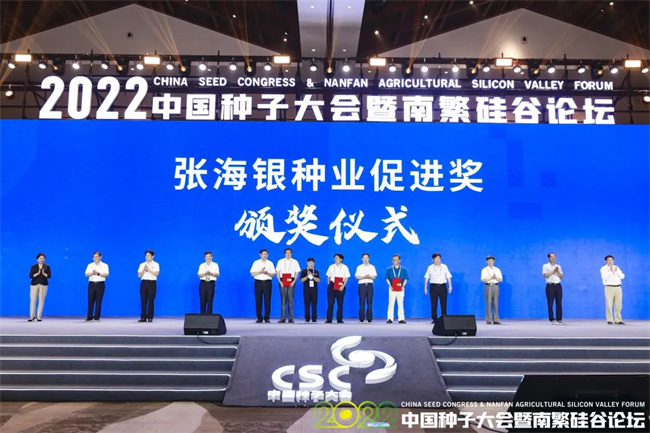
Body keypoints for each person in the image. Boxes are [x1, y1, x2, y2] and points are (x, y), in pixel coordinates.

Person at [424, 253, 452, 324]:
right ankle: (434, 319)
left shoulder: (444, 266)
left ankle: (444, 318)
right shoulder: (430, 267)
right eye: (436, 259)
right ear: (433, 259)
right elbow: (427, 278)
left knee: (443, 303)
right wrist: (425, 287)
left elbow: (448, 277)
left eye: (439, 258)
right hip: (433, 287)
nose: (437, 260)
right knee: (434, 303)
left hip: (443, 286)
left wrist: (450, 286)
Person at [275, 247, 301, 323]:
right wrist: (280, 282)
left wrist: (294, 281)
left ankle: (291, 318)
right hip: (282, 281)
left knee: (291, 300)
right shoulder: (280, 261)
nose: (288, 254)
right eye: (287, 252)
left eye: (289, 252)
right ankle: (282, 318)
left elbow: (297, 273)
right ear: (284, 253)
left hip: (291, 281)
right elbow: (278, 272)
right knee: (283, 300)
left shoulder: (295, 262)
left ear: (292, 253)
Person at [250, 249, 275, 323]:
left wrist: (267, 273)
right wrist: (260, 272)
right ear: (260, 255)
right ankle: (259, 317)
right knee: (258, 300)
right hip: (258, 283)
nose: (265, 255)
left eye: (266, 254)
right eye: (263, 254)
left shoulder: (270, 263)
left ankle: (267, 317)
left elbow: (273, 274)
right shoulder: (256, 263)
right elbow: (252, 274)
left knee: (267, 300)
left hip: (267, 283)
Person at [600, 255, 625, 325]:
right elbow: (604, 277)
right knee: (609, 304)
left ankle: (618, 320)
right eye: (608, 260)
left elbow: (622, 276)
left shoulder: (616, 267)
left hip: (618, 287)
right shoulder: (603, 268)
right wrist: (611, 272)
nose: (610, 262)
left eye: (611, 260)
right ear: (605, 261)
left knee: (618, 305)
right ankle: (610, 319)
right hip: (609, 287)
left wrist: (617, 272)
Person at [85, 252, 109, 322]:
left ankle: (96, 317)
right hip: (91, 284)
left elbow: (106, 274)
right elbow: (86, 274)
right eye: (94, 257)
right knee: (90, 300)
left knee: (99, 301)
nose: (95, 258)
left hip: (100, 284)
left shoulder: (105, 265)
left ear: (100, 257)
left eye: (96, 257)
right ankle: (89, 316)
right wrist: (92, 273)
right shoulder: (90, 265)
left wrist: (98, 273)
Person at [325, 253, 350, 323]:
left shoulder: (345, 267)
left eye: (337, 258)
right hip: (332, 285)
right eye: (335, 258)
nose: (335, 259)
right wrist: (329, 284)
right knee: (330, 303)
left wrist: (343, 285)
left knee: (340, 303)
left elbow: (346, 277)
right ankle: (329, 319)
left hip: (341, 285)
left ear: (341, 259)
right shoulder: (331, 267)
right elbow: (328, 276)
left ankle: (339, 319)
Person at [385, 254, 409, 324]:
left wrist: (403, 286)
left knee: (400, 303)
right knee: (391, 303)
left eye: (396, 260)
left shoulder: (404, 270)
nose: (394, 261)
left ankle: (401, 318)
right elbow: (387, 278)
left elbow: (406, 279)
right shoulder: (389, 269)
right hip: (392, 288)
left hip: (400, 288)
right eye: (393, 260)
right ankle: (390, 318)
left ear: (399, 260)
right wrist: (390, 286)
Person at [137, 250, 159, 322]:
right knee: (143, 300)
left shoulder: (156, 264)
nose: (147, 257)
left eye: (149, 255)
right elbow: (139, 275)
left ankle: (150, 317)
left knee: (151, 300)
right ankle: (143, 317)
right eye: (146, 255)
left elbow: (156, 273)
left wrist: (149, 270)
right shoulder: (142, 264)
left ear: (152, 256)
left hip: (152, 283)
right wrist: (144, 270)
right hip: (144, 282)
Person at [542, 253, 564, 325]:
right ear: (549, 258)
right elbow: (546, 275)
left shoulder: (558, 266)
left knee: (559, 302)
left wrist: (557, 271)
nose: (553, 258)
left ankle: (559, 319)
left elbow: (561, 276)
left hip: (558, 285)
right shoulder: (545, 266)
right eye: (552, 257)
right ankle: (552, 319)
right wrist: (553, 271)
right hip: (550, 285)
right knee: (550, 303)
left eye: (554, 257)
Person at [355, 253, 377, 323]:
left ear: (369, 259)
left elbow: (374, 276)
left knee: (370, 302)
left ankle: (369, 318)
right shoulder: (359, 267)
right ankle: (361, 318)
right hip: (362, 285)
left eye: (367, 258)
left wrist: (369, 277)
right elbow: (357, 276)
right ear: (362, 259)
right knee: (362, 302)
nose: (365, 259)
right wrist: (364, 277)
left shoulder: (372, 267)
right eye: (364, 258)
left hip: (370, 285)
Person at [28, 253, 51, 322]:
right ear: (37, 259)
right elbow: (30, 276)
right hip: (34, 284)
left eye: (43, 258)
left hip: (43, 284)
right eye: (40, 258)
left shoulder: (47, 266)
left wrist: (43, 273)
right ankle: (32, 316)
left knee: (41, 301)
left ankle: (39, 316)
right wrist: (38, 273)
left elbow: (49, 276)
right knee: (33, 300)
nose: (42, 260)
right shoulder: (33, 266)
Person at [480, 255, 503, 325]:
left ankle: (496, 319)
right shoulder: (484, 270)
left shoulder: (497, 269)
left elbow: (501, 280)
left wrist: (495, 277)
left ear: (494, 261)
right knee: (488, 303)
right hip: (488, 286)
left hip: (495, 286)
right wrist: (490, 278)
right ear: (486, 261)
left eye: (491, 261)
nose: (490, 262)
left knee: (496, 303)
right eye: (489, 261)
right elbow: (482, 280)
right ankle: (488, 319)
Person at [299, 258, 321, 323]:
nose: (311, 264)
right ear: (307, 263)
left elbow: (318, 280)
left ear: (314, 263)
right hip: (306, 290)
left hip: (314, 290)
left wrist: (313, 276)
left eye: (312, 263)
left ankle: (314, 318)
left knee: (314, 305)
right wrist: (308, 276)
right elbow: (301, 280)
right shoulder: (304, 271)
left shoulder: (316, 271)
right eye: (309, 263)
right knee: (306, 304)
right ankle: (307, 318)